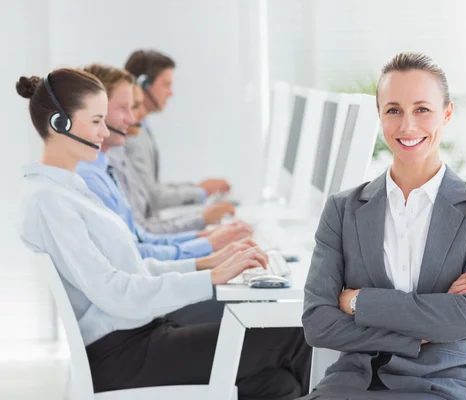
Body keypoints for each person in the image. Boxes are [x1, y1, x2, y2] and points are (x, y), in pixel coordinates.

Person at [17, 68, 311, 399]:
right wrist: (210, 278)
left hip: (141, 335)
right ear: (60, 124)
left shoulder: (71, 190)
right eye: (96, 120)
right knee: (296, 337)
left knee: (279, 384)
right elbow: (115, 291)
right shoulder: (50, 201)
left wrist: (205, 266)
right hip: (123, 355)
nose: (104, 133)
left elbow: (133, 268)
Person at [298, 52, 466, 400]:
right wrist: (417, 331)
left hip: (441, 386)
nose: (407, 126)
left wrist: (358, 302)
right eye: (393, 110)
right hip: (351, 385)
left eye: (422, 109)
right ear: (380, 116)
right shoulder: (343, 208)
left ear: (447, 114)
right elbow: (317, 324)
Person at [77, 63, 252, 261]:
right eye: (125, 108)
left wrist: (203, 239)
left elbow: (139, 238)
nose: (133, 118)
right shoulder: (91, 177)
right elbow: (134, 256)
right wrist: (204, 251)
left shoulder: (104, 166)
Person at [123, 49, 234, 216]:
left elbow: (152, 187)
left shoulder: (142, 128)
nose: (171, 93)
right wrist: (201, 192)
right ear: (142, 85)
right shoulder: (131, 135)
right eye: (166, 85)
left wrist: (199, 188)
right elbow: (152, 197)